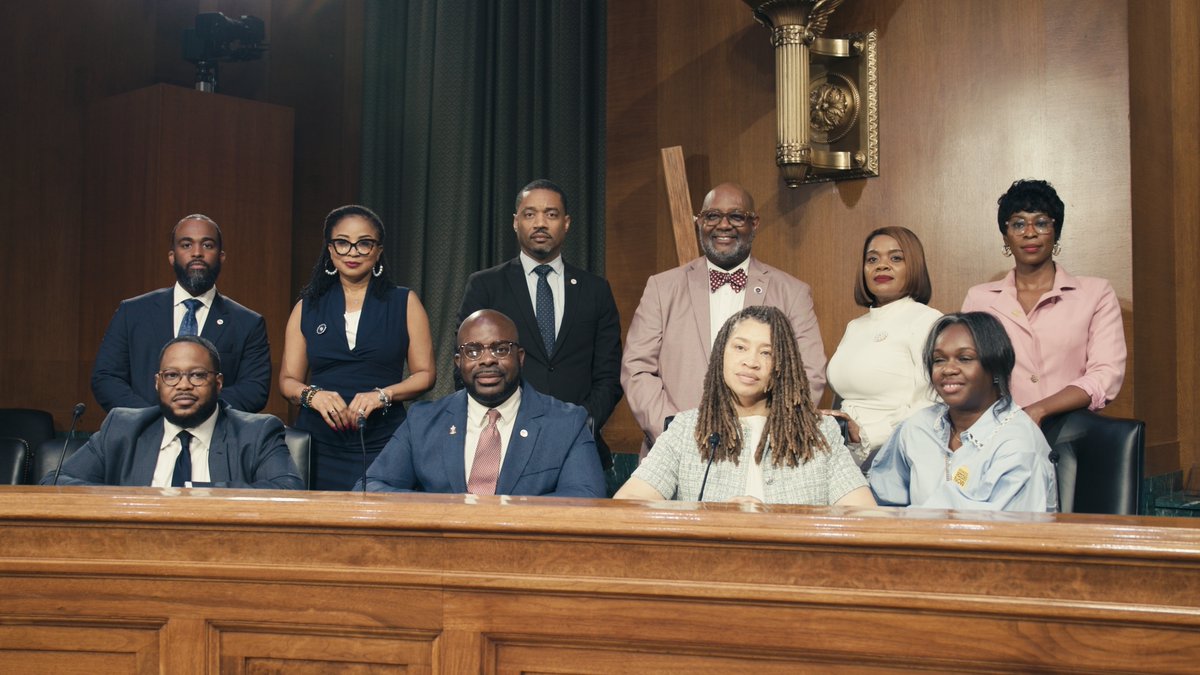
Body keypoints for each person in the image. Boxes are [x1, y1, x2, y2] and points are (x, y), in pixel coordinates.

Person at [622, 182, 827, 457]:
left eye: (736, 216)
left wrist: (766, 435)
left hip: (761, 454)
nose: (724, 225)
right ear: (699, 222)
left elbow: (808, 373)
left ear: (754, 223)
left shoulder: (793, 293)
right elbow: (637, 368)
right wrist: (675, 432)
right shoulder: (662, 287)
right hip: (673, 451)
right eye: (712, 216)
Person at [615, 306, 875, 506]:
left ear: (783, 365)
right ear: (721, 354)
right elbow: (629, 504)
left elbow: (862, 516)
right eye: (740, 347)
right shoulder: (686, 430)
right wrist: (711, 518)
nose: (751, 362)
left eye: (767, 353)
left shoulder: (820, 433)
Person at [457, 179, 622, 469]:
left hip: (580, 444)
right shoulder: (485, 286)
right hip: (504, 444)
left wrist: (580, 424)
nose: (540, 223)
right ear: (515, 222)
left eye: (552, 214)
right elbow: (465, 366)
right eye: (530, 214)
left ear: (567, 223)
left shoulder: (595, 290)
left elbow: (609, 375)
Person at [362, 310, 605, 497]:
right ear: (458, 362)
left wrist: (504, 513)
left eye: (501, 349)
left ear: (520, 358)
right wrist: (447, 509)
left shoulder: (566, 423)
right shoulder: (423, 421)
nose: (487, 359)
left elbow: (585, 499)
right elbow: (370, 488)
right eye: (473, 351)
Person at [279, 205, 436, 491]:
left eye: (364, 244)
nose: (352, 252)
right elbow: (287, 381)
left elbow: (425, 374)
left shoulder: (405, 302)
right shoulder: (307, 307)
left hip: (386, 441)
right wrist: (312, 395)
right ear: (330, 249)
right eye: (343, 243)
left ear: (378, 251)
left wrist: (384, 395)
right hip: (319, 443)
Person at [962, 179, 1126, 426]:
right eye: (1018, 224)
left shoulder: (1096, 293)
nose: (1030, 233)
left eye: (1041, 223)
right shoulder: (979, 299)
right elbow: (969, 371)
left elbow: (1106, 375)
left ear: (1056, 232)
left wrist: (1039, 410)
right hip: (997, 434)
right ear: (1005, 236)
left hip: (1071, 435)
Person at [46, 336, 301, 489]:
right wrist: (126, 499)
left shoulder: (256, 433)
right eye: (172, 375)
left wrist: (200, 493)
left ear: (219, 383)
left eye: (198, 375)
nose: (183, 385)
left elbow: (288, 489)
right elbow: (55, 483)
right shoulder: (122, 428)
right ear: (158, 383)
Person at [867, 312, 1058, 512]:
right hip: (916, 540)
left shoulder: (1020, 443)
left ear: (995, 367)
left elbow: (1006, 533)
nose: (948, 369)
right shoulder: (917, 427)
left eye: (964, 358)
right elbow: (883, 501)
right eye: (939, 360)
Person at [91, 214, 271, 413]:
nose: (197, 253)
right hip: (142, 435)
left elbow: (254, 390)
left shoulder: (247, 323)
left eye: (208, 245)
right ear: (172, 256)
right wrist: (151, 419)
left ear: (221, 257)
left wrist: (199, 413)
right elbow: (106, 377)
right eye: (186, 245)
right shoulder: (132, 312)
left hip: (215, 435)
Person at [823, 227, 943, 465]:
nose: (882, 265)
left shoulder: (927, 320)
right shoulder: (855, 326)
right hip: (844, 457)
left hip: (897, 457)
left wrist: (868, 434)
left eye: (896, 258)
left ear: (915, 266)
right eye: (872, 259)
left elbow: (934, 403)